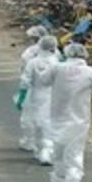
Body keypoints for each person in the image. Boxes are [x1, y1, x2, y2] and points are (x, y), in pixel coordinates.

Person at [41, 42, 92, 182]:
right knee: (75, 151)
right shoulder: (91, 72)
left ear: (67, 53)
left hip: (58, 116)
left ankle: (59, 177)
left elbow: (44, 81)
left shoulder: (57, 68)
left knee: (58, 149)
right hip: (79, 118)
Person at [16, 35, 60, 165]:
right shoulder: (56, 62)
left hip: (35, 94)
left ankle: (32, 145)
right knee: (49, 124)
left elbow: (25, 81)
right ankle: (47, 152)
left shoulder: (33, 62)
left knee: (33, 121)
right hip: (52, 95)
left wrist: (21, 97)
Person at [16, 25, 48, 151]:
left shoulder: (29, 53)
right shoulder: (55, 53)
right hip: (51, 91)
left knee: (28, 117)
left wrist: (21, 95)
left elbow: (25, 74)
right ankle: (47, 145)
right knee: (48, 119)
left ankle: (29, 142)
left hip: (33, 89)